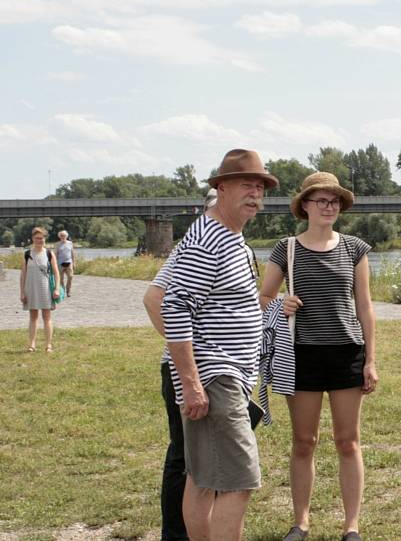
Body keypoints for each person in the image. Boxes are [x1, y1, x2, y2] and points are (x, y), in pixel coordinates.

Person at [161, 149, 278, 541]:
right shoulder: (207, 240)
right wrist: (191, 384)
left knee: (203, 477)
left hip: (226, 375)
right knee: (239, 479)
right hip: (215, 376)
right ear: (221, 187)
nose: (255, 194)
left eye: (260, 187)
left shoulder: (231, 239)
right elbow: (174, 307)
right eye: (247, 184)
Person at [259, 171, 377, 541]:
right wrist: (282, 303)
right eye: (321, 200)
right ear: (305, 206)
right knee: (304, 441)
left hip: (347, 353)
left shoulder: (355, 248)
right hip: (301, 356)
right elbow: (261, 299)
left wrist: (370, 359)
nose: (329, 207)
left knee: (348, 441)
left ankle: (351, 525)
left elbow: (365, 307)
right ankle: (301, 522)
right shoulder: (286, 248)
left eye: (335, 201)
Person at [143, 188, 217, 541]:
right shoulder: (194, 248)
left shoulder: (233, 247)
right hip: (191, 373)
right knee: (184, 458)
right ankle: (176, 534)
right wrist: (182, 351)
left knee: (209, 460)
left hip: (220, 373)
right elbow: (154, 298)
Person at [19, 226, 61, 353]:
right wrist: (22, 292)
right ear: (32, 239)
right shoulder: (27, 254)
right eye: (37, 238)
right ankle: (32, 344)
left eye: (41, 238)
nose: (39, 241)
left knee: (47, 316)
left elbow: (56, 273)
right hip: (30, 288)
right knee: (33, 317)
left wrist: (57, 289)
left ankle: (48, 345)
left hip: (46, 288)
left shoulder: (49, 253)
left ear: (44, 239)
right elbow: (23, 275)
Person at [55, 230, 76, 297]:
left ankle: (68, 290)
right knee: (61, 279)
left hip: (69, 262)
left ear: (66, 236)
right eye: (61, 235)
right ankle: (63, 291)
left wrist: (74, 262)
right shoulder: (57, 244)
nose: (62, 237)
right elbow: (56, 254)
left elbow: (72, 253)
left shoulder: (70, 243)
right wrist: (54, 264)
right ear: (59, 236)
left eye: (64, 235)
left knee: (70, 277)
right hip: (60, 263)